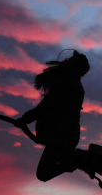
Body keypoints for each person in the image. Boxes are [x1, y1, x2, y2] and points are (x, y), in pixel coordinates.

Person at [15, 50, 90, 182]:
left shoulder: (72, 87)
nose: (66, 62)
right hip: (60, 137)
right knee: (45, 173)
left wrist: (27, 120)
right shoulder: (66, 85)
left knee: (44, 174)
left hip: (63, 138)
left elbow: (52, 109)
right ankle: (74, 161)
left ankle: (76, 162)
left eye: (70, 62)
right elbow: (45, 106)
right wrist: (25, 119)